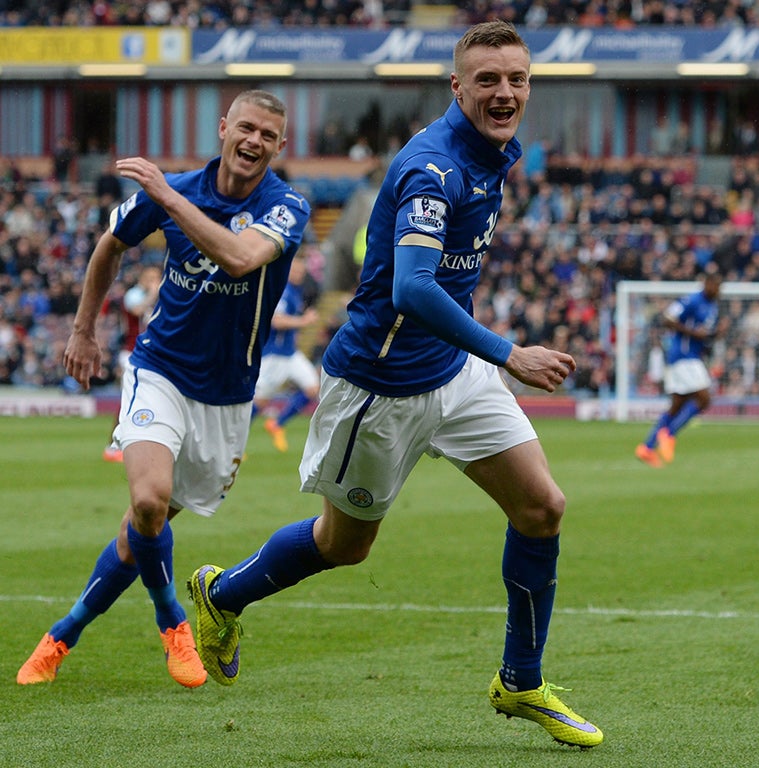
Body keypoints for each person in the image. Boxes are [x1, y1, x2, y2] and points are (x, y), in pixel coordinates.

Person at [187, 22, 603, 749]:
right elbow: (411, 288)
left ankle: (521, 681)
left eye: (516, 79)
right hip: (380, 388)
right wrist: (509, 354)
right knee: (345, 546)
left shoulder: (493, 151)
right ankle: (221, 594)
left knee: (542, 507)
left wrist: (482, 359)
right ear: (457, 86)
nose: (504, 92)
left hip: (452, 371)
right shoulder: (432, 169)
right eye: (487, 80)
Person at [16, 90, 311, 687]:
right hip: (161, 371)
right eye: (246, 128)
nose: (254, 142)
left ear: (280, 147)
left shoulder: (286, 207)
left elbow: (238, 258)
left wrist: (169, 196)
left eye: (268, 135)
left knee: (140, 527)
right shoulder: (174, 190)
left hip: (228, 396)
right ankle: (173, 620)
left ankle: (62, 634)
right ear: (224, 128)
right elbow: (110, 246)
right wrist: (83, 330)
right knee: (150, 502)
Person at [635, 270, 723, 468]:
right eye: (715, 286)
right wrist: (694, 333)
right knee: (704, 399)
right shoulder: (691, 300)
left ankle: (647, 447)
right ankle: (669, 434)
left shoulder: (713, 306)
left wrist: (717, 334)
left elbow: (704, 336)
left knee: (677, 406)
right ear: (706, 284)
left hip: (691, 357)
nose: (718, 291)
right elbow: (668, 318)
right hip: (683, 355)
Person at [253, 249, 321, 452]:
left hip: (290, 353)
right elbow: (276, 321)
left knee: (312, 388)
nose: (300, 274)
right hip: (274, 355)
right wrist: (304, 321)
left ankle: (276, 424)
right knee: (261, 401)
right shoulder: (283, 290)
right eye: (296, 270)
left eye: (302, 271)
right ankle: (232, 442)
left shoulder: (295, 291)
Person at [103, 262, 163, 463]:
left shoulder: (160, 296)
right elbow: (137, 311)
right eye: (151, 278)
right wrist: (153, 294)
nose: (155, 282)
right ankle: (113, 445)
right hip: (131, 352)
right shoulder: (134, 294)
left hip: (154, 353)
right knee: (128, 399)